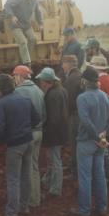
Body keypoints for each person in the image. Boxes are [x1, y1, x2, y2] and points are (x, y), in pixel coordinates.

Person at [70, 67, 109, 216]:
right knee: (100, 175)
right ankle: (102, 208)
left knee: (85, 177)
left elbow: (85, 121)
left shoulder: (82, 98)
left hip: (87, 142)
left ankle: (84, 211)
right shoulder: (105, 96)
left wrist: (97, 137)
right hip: (100, 144)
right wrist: (104, 133)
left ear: (85, 81)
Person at [0, 74, 40, 216]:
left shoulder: (1, 104)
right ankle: (24, 207)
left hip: (15, 145)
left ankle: (11, 215)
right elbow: (37, 119)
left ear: (0, 89)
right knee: (26, 175)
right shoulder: (25, 100)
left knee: (13, 178)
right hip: (28, 141)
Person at [13, 65, 46, 207]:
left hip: (27, 134)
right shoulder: (39, 91)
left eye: (15, 76)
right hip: (39, 132)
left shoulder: (18, 92)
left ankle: (27, 200)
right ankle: (36, 198)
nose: (14, 79)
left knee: (24, 169)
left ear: (20, 76)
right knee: (34, 166)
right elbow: (44, 114)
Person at [87, 57, 109, 188]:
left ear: (96, 68)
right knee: (102, 150)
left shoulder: (99, 82)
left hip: (102, 121)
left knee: (103, 151)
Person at [36, 68, 68, 197]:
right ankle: (48, 180)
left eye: (41, 80)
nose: (40, 83)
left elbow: (53, 118)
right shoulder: (62, 90)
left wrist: (45, 130)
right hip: (61, 131)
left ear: (45, 81)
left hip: (54, 133)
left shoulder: (52, 95)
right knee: (53, 159)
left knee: (55, 160)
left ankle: (55, 189)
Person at [4, 0, 43, 65]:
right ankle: (26, 63)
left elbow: (38, 12)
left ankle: (23, 58)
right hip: (16, 24)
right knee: (23, 42)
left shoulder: (35, 0)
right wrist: (12, 16)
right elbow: (7, 4)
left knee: (33, 39)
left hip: (26, 24)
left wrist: (40, 23)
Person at [62, 55, 82, 177]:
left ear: (69, 64)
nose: (62, 66)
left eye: (63, 63)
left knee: (74, 142)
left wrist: (66, 116)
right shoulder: (80, 75)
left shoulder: (70, 80)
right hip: (81, 114)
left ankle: (75, 170)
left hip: (75, 115)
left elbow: (68, 101)